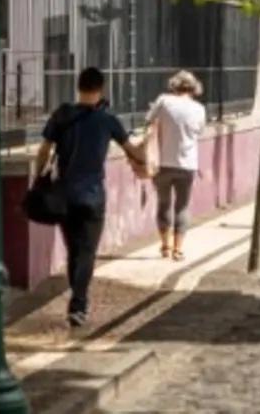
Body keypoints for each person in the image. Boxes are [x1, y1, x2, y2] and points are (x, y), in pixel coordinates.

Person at [35, 67, 145, 328]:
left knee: (74, 249)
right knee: (87, 251)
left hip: (65, 195)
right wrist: (147, 151)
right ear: (101, 89)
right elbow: (133, 152)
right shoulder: (108, 121)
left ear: (78, 87)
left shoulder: (62, 115)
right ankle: (78, 304)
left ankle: (77, 299)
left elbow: (44, 150)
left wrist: (39, 177)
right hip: (93, 196)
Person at [146, 71, 206, 262]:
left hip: (162, 162)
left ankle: (165, 245)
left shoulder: (164, 101)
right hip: (187, 164)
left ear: (174, 86)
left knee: (163, 203)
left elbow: (148, 120)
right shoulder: (199, 109)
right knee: (182, 206)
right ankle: (178, 249)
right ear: (194, 88)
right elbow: (199, 131)